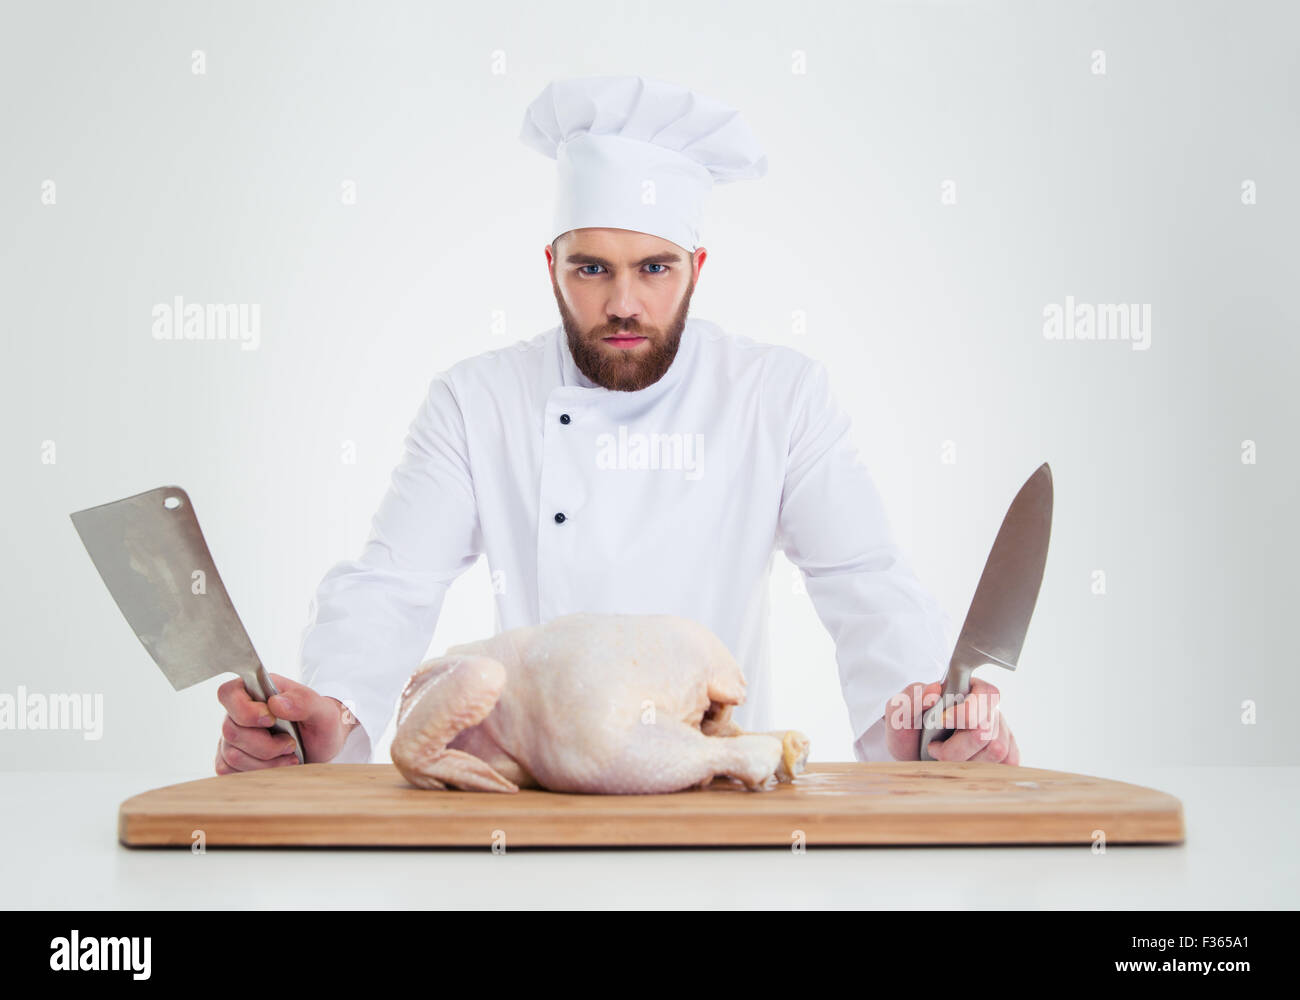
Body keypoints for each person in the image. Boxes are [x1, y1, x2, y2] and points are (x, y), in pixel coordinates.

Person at [216, 74, 1018, 775]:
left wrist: (928, 725)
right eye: (591, 269)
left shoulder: (779, 396)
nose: (623, 304)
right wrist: (331, 714)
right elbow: (392, 584)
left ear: (696, 269)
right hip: (535, 799)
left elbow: (863, 579)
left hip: (726, 799)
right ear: (552, 268)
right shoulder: (478, 401)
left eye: (654, 269)